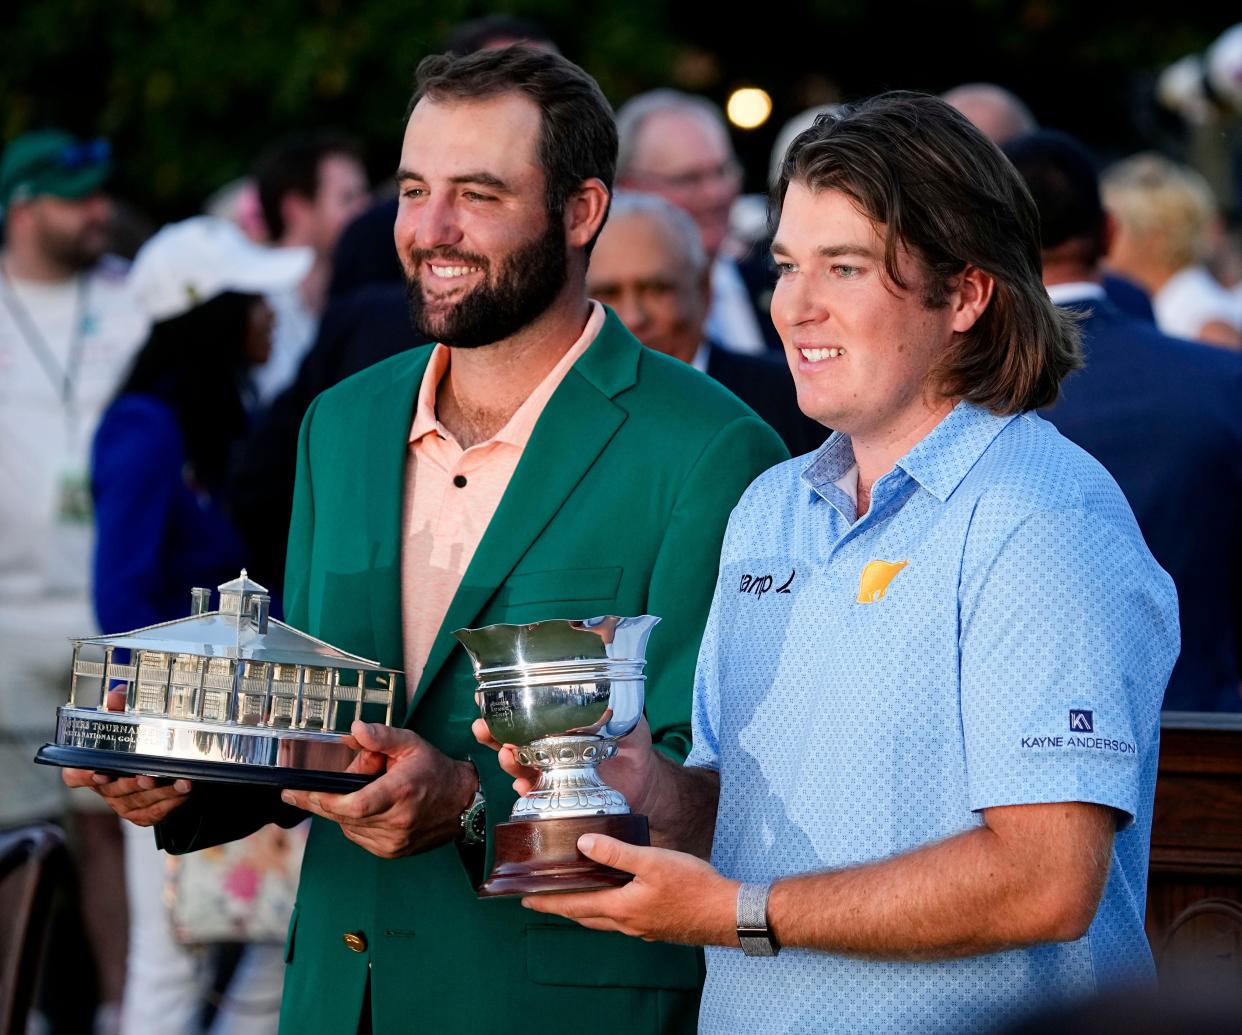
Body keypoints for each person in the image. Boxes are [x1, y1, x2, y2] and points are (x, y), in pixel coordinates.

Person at [66, 46, 788, 1034]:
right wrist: (185, 784)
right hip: (336, 998)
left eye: (478, 195)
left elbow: (719, 795)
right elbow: (319, 721)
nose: (430, 231)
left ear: (581, 212)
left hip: (559, 1006)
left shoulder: (710, 446)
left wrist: (473, 799)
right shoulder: (343, 422)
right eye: (413, 191)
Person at [510, 94, 1180, 1034]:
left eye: (846, 267)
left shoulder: (1045, 517)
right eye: (786, 265)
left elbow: (1046, 881)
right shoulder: (769, 510)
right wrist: (639, 789)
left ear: (966, 294)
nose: (797, 305)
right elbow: (730, 816)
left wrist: (737, 913)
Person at [97, 215, 312, 1035]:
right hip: (173, 740)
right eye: (252, 298)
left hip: (238, 732)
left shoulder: (211, 428)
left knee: (258, 951)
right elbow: (117, 595)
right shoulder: (146, 428)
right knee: (170, 961)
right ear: (208, 313)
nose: (270, 314)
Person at [1005, 129, 1242, 713]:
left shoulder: (959, 391)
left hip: (1017, 744)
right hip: (1205, 727)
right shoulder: (1221, 380)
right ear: (1109, 231)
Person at [0, 127, 147, 1032]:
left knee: (113, 832)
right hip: (7, 622)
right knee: (13, 841)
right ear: (23, 208)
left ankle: (122, 1009)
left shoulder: (131, 302)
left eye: (102, 194)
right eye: (76, 197)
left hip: (111, 615)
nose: (99, 212)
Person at [587, 191, 825, 454]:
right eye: (608, 293)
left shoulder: (796, 397)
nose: (634, 317)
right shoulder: (562, 410)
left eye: (655, 289)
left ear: (704, 291)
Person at [616, 89, 780, 353]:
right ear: (629, 187)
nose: (715, 193)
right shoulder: (610, 314)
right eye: (689, 179)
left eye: (722, 171)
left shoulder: (776, 284)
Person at [250, 131, 369, 402]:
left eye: (365, 195)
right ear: (295, 209)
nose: (366, 210)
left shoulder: (354, 288)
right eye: (348, 198)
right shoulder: (256, 302)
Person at [1101, 153, 1242, 348]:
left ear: (1152, 237)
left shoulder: (1205, 325)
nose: (1099, 238)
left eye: (1111, 227)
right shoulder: (1171, 308)